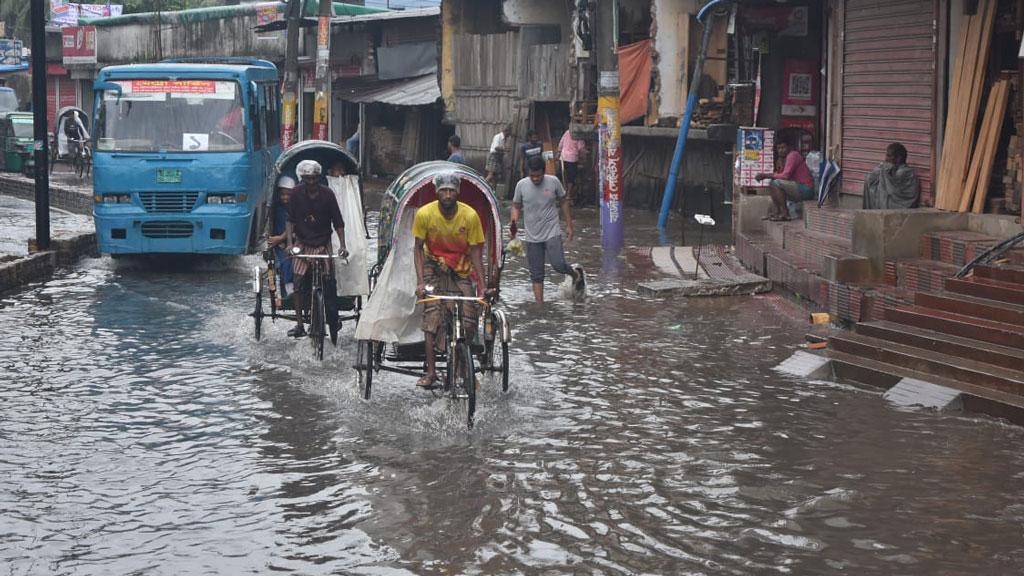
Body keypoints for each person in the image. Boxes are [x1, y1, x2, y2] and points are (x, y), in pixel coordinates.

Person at [413, 172, 487, 388]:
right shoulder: (425, 214)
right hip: (432, 268)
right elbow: (417, 249)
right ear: (437, 192)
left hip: (461, 270)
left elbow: (475, 253)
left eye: (451, 190)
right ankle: (432, 372)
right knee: (432, 318)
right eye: (443, 190)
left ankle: (463, 366)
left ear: (457, 192)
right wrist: (420, 282)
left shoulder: (470, 216)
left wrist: (481, 286)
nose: (447, 194)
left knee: (469, 317)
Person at [285, 160, 348, 338]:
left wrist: (343, 245)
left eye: (313, 179)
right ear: (302, 179)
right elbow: (290, 220)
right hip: (303, 242)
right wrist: (290, 244)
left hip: (323, 243)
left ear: (318, 178)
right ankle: (299, 324)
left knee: (329, 280)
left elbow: (338, 222)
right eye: (307, 179)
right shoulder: (296, 193)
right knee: (298, 282)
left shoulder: (328, 194)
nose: (311, 182)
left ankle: (332, 317)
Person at [511, 155, 585, 304]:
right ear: (528, 173)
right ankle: (540, 307)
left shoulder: (553, 182)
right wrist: (514, 224)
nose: (536, 179)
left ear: (544, 172)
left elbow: (563, 202)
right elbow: (516, 206)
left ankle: (575, 274)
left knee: (558, 264)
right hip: (532, 235)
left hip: (552, 231)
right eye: (532, 176)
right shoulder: (521, 185)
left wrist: (569, 225)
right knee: (536, 274)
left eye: (538, 176)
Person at [754, 139, 814, 221]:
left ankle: (785, 213)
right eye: (779, 148)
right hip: (796, 187)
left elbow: (785, 176)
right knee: (772, 183)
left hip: (805, 189)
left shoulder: (793, 155)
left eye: (783, 147)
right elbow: (780, 175)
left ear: (789, 147)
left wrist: (766, 175)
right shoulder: (783, 159)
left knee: (776, 183)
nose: (781, 150)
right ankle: (776, 212)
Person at [862, 142, 920, 209]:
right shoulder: (889, 170)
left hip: (899, 207)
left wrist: (885, 171)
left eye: (889, 156)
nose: (886, 159)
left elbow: (892, 190)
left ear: (899, 158)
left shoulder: (907, 173)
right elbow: (871, 179)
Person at [268, 175, 296, 306]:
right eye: (282, 194)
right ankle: (289, 292)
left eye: (288, 195)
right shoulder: (276, 208)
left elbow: (294, 224)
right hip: (280, 245)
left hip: (295, 241)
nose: (285, 197)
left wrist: (280, 238)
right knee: (285, 262)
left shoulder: (296, 207)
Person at [556, 128, 586, 203]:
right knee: (571, 178)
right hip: (572, 159)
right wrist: (583, 157)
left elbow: (561, 143)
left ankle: (562, 193)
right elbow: (581, 148)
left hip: (563, 157)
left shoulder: (567, 132)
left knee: (563, 176)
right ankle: (568, 194)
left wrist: (559, 152)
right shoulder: (579, 135)